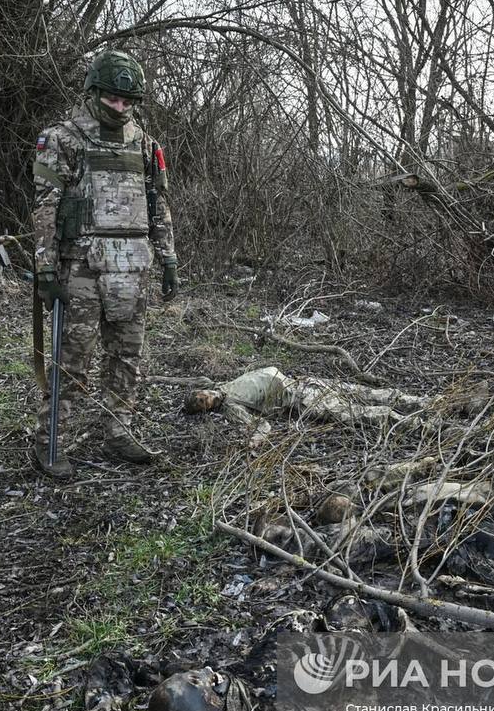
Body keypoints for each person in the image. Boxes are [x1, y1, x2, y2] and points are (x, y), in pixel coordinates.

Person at [30, 49, 179, 479]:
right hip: (80, 268)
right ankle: (49, 442)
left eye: (128, 101)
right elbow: (45, 204)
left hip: (133, 268)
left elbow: (158, 204)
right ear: (94, 92)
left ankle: (119, 428)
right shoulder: (63, 138)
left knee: (127, 357)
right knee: (73, 360)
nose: (121, 107)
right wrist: (44, 269)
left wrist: (168, 258)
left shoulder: (146, 144)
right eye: (113, 99)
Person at [183, 366, 436, 445]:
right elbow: (261, 425)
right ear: (206, 409)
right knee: (357, 412)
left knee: (365, 392)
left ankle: (424, 402)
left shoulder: (225, 383)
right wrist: (254, 440)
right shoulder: (231, 408)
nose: (204, 399)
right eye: (201, 404)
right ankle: (419, 424)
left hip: (304, 382)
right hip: (301, 399)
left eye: (200, 395)